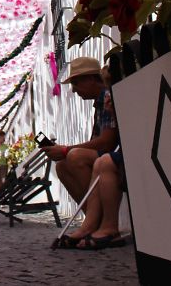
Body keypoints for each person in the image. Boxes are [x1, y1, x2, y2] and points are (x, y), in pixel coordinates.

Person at [41, 57, 120, 240]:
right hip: (107, 156)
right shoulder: (100, 101)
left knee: (74, 157)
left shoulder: (107, 97)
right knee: (63, 165)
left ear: (91, 79)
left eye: (76, 83)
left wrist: (66, 150)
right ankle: (93, 220)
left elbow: (107, 142)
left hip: (112, 157)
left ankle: (95, 223)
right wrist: (64, 151)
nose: (74, 89)